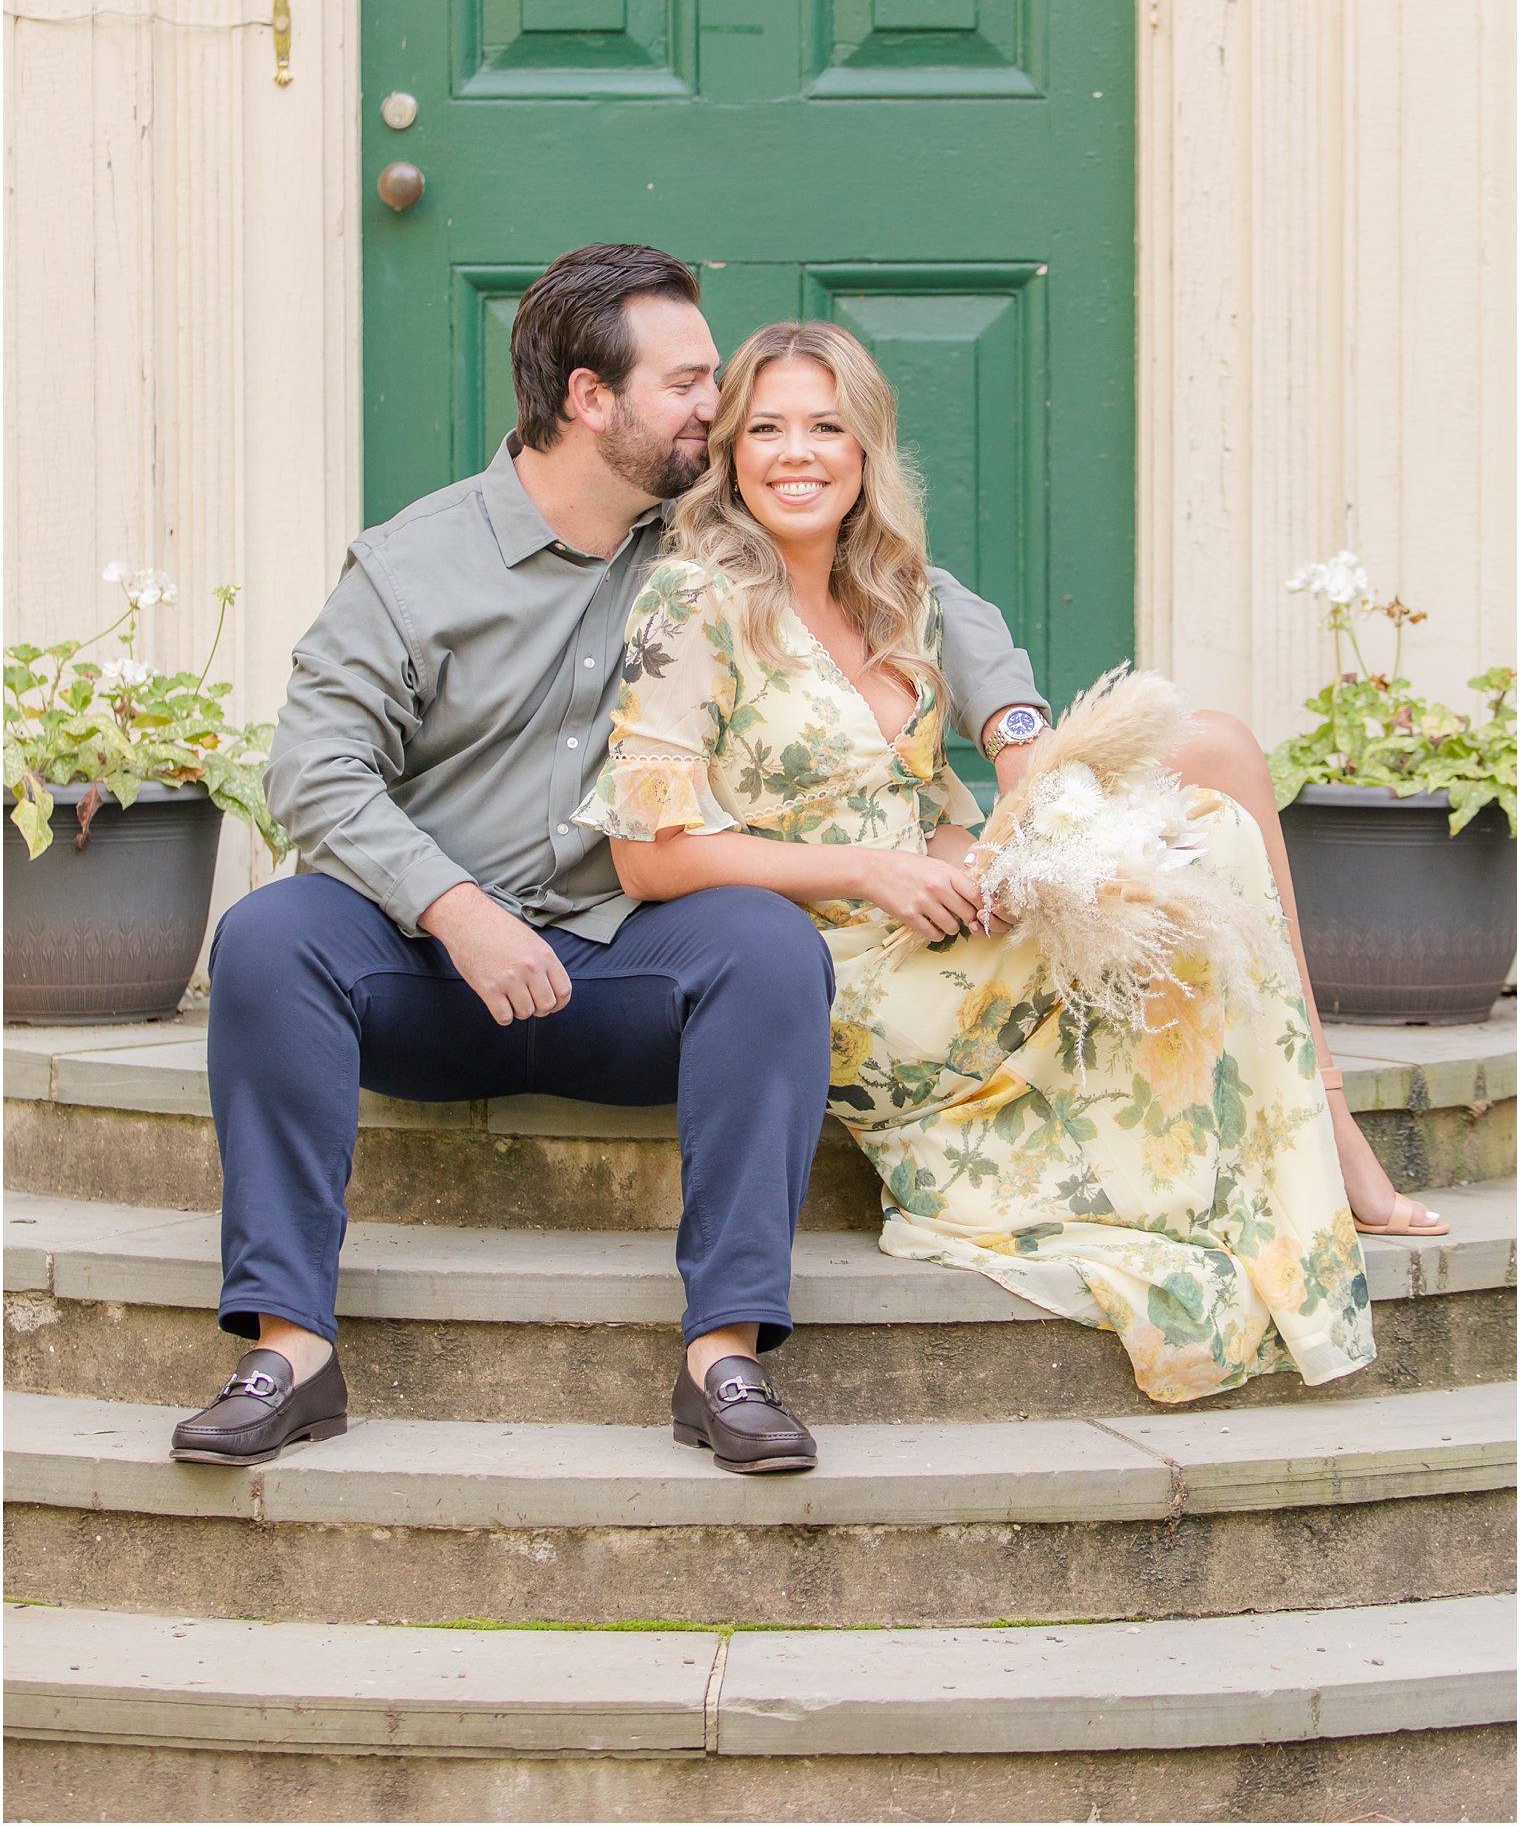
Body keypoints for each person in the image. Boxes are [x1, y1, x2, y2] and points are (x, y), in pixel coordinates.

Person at [169, 245, 1049, 1476]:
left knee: (760, 943)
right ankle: (289, 1350)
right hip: (430, 973)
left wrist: (1012, 728)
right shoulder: (411, 566)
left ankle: (723, 1356)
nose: (719, 407)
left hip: (627, 969)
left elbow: (915, 590)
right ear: (592, 400)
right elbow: (313, 773)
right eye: (689, 382)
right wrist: (453, 906)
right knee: (267, 935)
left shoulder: (707, 543)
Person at [576, 323, 1398, 1405]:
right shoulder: (691, 606)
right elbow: (648, 859)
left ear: (864, 451)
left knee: (1208, 809)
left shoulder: (895, 593)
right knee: (1204, 845)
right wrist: (872, 869)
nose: (795, 453)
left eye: (825, 427)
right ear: (728, 455)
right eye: (764, 429)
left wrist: (1003, 798)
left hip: (946, 918)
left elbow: (998, 703)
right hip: (831, 979)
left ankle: (1316, 1123)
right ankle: (1314, 1143)